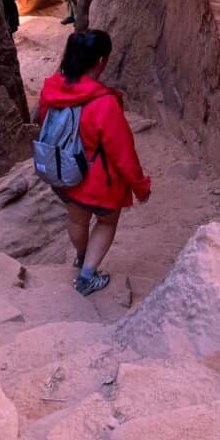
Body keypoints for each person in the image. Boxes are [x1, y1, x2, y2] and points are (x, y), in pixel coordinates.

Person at [39, 30, 151, 296]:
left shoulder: (51, 88)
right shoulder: (104, 103)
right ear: (101, 60)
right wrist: (141, 186)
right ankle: (87, 277)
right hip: (98, 183)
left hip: (63, 173)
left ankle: (80, 257)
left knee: (77, 219)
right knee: (106, 222)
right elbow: (122, 152)